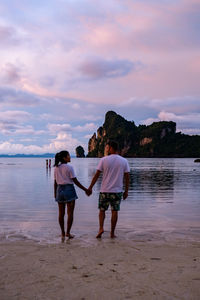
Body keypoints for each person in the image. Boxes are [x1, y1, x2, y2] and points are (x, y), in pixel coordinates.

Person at [88, 140, 130, 238]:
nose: (106, 149)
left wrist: (90, 187)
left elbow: (96, 175)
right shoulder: (124, 161)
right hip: (117, 191)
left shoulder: (103, 160)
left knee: (102, 211)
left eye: (107, 147)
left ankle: (101, 228)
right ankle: (112, 233)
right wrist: (126, 191)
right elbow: (127, 177)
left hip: (104, 191)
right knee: (114, 211)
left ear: (111, 148)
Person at [54, 150, 90, 240]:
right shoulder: (69, 168)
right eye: (68, 155)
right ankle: (68, 233)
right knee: (70, 213)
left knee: (61, 214)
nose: (70, 157)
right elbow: (75, 181)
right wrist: (86, 189)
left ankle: (62, 233)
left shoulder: (56, 168)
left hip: (59, 190)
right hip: (69, 190)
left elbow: (55, 182)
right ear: (64, 158)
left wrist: (55, 193)